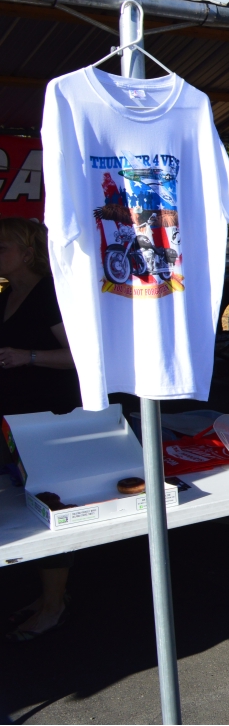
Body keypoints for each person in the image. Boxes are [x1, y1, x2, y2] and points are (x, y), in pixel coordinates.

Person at [0, 217, 81, 641]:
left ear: (28, 253)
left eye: (3, 248)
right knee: (25, 507)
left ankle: (53, 605)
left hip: (48, 419)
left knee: (48, 507)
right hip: (13, 421)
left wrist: (28, 356)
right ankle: (47, 596)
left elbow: (79, 357)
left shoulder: (50, 295)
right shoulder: (6, 295)